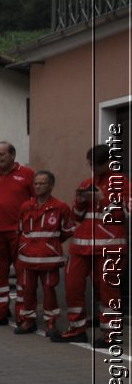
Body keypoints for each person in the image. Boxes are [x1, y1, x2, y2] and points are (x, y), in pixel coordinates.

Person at [56, 143, 127, 343]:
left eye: (96, 165)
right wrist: (80, 199)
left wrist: (103, 199)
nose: (93, 169)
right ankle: (77, 328)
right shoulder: (88, 182)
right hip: (81, 247)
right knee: (72, 286)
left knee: (108, 290)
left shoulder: (122, 183)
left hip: (110, 246)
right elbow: (77, 216)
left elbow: (125, 214)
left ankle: (110, 333)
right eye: (90, 165)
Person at [0, 141, 36, 327]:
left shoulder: (27, 174)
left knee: (22, 275)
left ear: (13, 155)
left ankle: (23, 315)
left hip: (18, 234)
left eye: (2, 154)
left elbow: (37, 203)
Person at [14, 170, 72, 336]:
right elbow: (19, 230)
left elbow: (67, 230)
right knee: (28, 290)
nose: (37, 186)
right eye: (36, 183)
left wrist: (51, 244)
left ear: (51, 186)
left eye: (42, 183)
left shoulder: (61, 207)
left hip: (49, 258)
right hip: (27, 258)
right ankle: (29, 321)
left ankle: (51, 323)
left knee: (49, 291)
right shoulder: (25, 206)